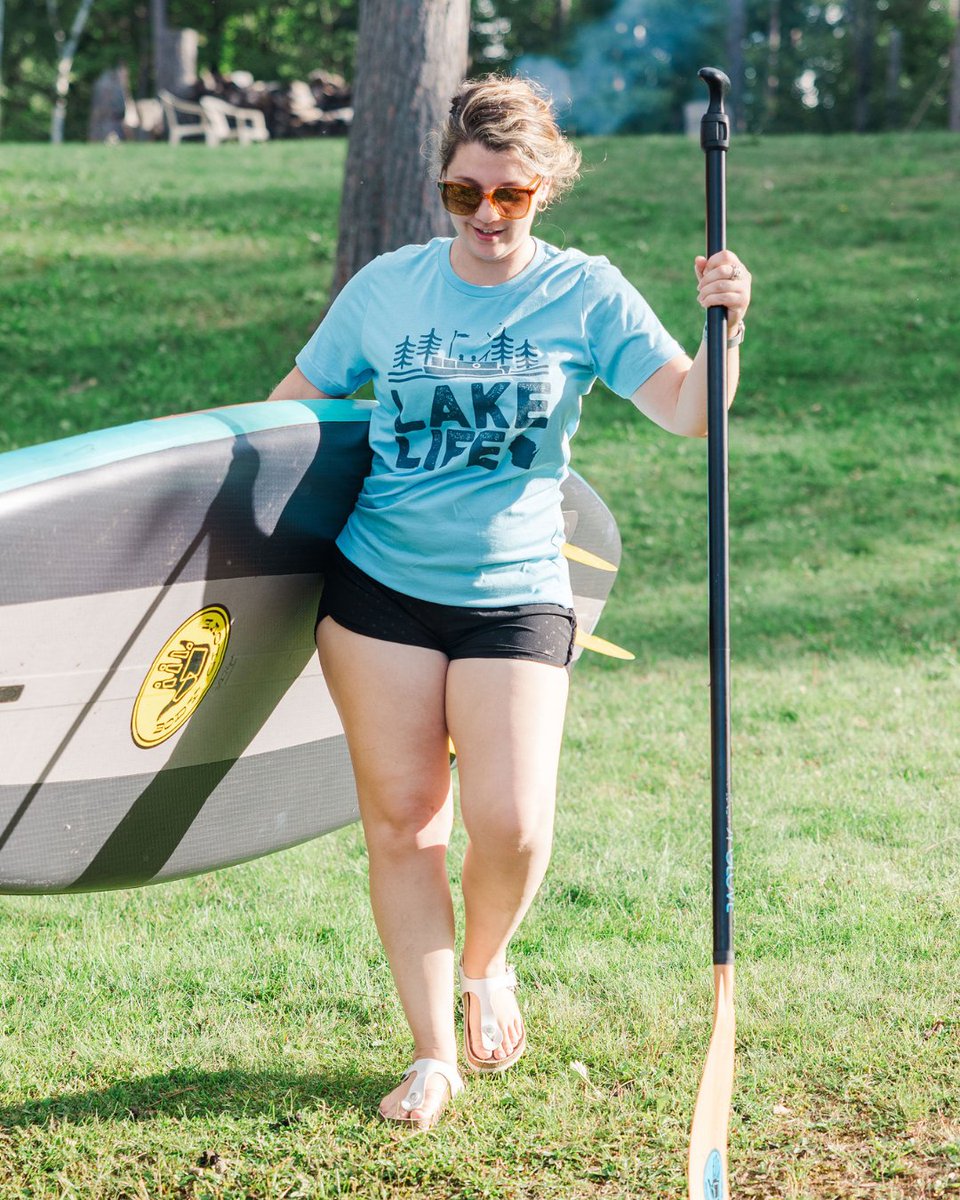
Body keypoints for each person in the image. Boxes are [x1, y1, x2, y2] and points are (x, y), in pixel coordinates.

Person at [268, 73, 752, 1130]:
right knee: (404, 824)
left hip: (518, 590)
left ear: (547, 189)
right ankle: (433, 1051)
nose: (486, 216)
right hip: (379, 586)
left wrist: (728, 324)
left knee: (515, 826)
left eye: (511, 195)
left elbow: (689, 411)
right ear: (443, 187)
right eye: (463, 193)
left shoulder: (584, 291)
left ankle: (486, 963)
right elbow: (287, 415)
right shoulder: (388, 289)